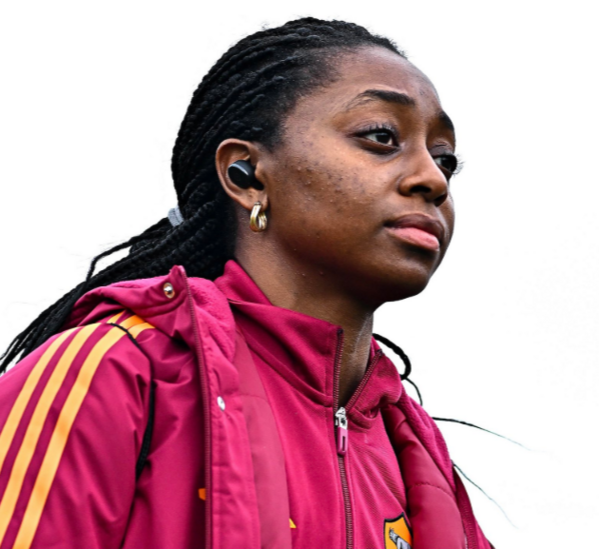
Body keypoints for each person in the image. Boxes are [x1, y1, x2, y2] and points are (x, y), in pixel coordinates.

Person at [0, 17, 493, 549]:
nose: (432, 180)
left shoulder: (416, 458)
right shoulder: (115, 371)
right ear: (248, 173)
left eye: (445, 159)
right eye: (381, 137)